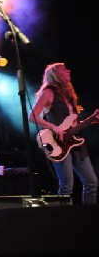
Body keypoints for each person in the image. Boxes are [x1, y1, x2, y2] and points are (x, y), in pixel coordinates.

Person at [28, 62, 98, 204]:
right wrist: (54, 127)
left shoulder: (69, 95)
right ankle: (62, 221)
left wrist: (90, 121)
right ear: (55, 74)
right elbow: (32, 116)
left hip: (76, 142)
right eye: (64, 69)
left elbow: (72, 122)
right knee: (66, 186)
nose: (68, 71)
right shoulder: (48, 92)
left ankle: (88, 218)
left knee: (91, 183)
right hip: (58, 144)